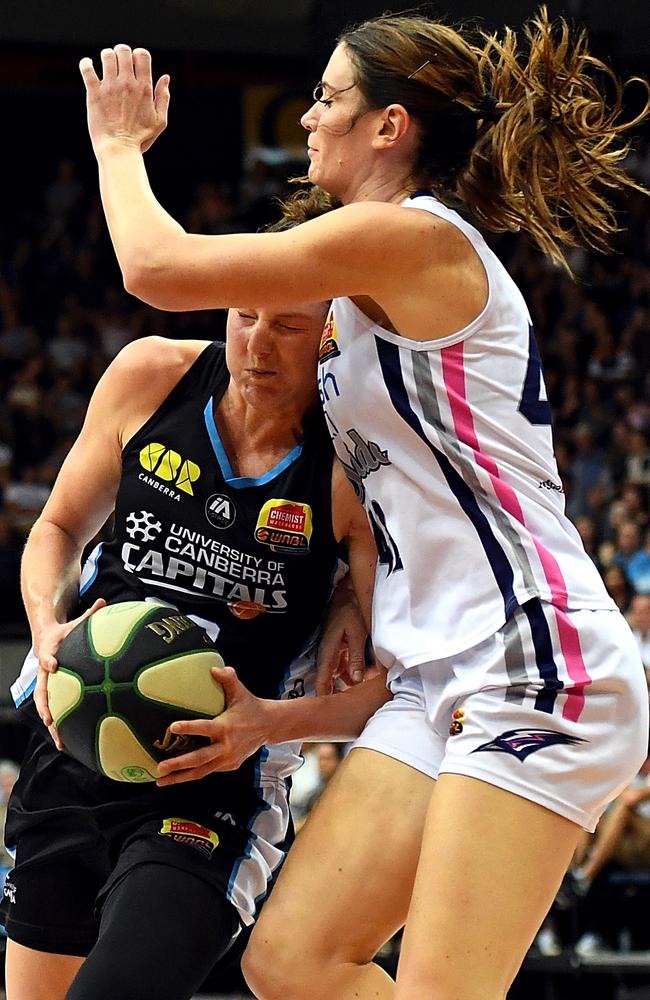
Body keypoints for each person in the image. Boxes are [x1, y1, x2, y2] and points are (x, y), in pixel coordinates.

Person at [77, 9, 650, 998]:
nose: (305, 119)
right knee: (292, 959)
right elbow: (383, 474)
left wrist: (119, 144)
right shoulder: (356, 293)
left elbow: (154, 269)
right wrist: (352, 592)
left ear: (387, 127)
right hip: (434, 671)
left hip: (531, 656)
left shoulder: (408, 241)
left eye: (327, 98)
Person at [0, 283, 387, 1000]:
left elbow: (387, 687)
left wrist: (271, 722)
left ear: (332, 338)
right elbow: (55, 530)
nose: (257, 344)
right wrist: (49, 626)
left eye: (289, 328)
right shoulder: (151, 376)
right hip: (70, 753)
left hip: (214, 786)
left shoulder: (351, 467)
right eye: (245, 317)